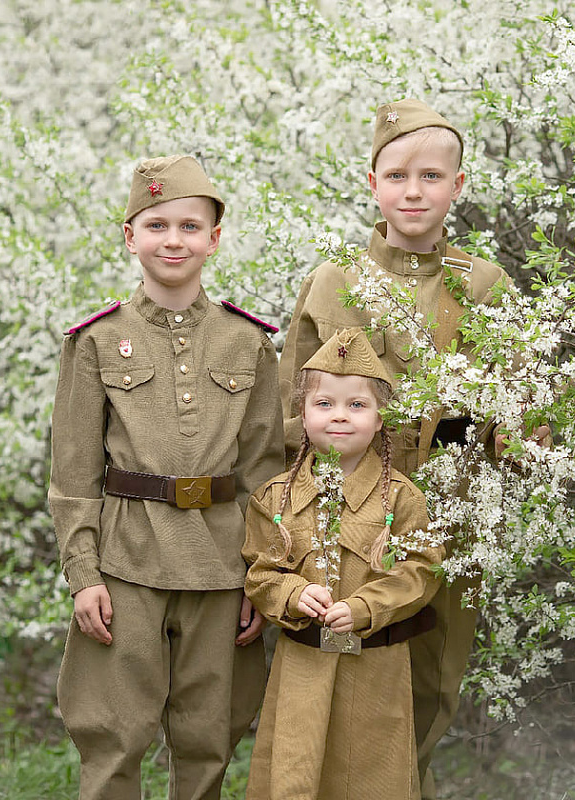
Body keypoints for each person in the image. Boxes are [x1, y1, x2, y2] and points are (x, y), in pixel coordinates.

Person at [277, 98, 513, 798]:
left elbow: (521, 398)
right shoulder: (336, 282)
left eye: (432, 176)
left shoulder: (482, 284)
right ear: (371, 182)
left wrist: (515, 435)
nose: (415, 192)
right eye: (398, 175)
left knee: (433, 687)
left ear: (458, 186)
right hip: (352, 520)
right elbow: (293, 416)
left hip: (451, 515)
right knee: (350, 682)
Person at [48, 154, 284, 800]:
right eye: (156, 225)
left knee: (209, 737)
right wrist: (83, 574)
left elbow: (267, 471)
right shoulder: (96, 341)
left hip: (221, 565)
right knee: (113, 736)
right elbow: (72, 475)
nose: (172, 239)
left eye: (188, 225)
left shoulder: (248, 342)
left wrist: (262, 576)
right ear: (130, 236)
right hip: (125, 563)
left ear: (214, 237)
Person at [243, 327, 443, 799]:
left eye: (357, 405)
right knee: (295, 773)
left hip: (375, 669)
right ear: (302, 414)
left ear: (380, 418)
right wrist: (292, 594)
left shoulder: (402, 498)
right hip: (302, 665)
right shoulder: (276, 498)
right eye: (324, 404)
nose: (339, 417)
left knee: (371, 778)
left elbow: (420, 571)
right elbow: (259, 570)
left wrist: (367, 607)